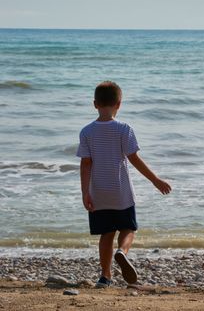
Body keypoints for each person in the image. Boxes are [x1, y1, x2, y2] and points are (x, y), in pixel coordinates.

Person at [77, 81, 171, 288]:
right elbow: (134, 159)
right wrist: (155, 180)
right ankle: (122, 252)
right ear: (119, 104)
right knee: (128, 228)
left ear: (95, 104)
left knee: (106, 234)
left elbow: (85, 165)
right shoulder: (124, 129)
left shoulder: (86, 132)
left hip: (98, 193)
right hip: (121, 192)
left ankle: (105, 276)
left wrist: (85, 193)